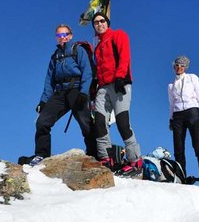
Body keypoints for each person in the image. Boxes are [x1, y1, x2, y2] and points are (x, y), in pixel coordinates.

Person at [29, 24, 97, 166]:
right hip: (60, 92)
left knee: (86, 123)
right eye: (59, 35)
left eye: (65, 34)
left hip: (77, 89)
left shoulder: (78, 50)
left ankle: (94, 153)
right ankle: (41, 154)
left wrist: (84, 92)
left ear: (70, 35)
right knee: (42, 122)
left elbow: (87, 72)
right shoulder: (55, 57)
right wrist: (43, 101)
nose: (63, 37)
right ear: (56, 38)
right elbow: (49, 81)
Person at [91, 12, 142, 176]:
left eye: (102, 21)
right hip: (103, 87)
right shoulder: (97, 47)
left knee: (122, 122)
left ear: (107, 22)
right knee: (99, 121)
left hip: (119, 84)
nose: (99, 24)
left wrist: (120, 76)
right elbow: (98, 69)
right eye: (96, 23)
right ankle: (106, 159)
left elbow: (124, 56)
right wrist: (95, 87)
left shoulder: (118, 35)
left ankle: (135, 159)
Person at [168, 55, 199, 186]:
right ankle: (180, 178)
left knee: (198, 146)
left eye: (182, 65)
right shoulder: (171, 86)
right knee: (178, 149)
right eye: (177, 65)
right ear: (174, 67)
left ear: (186, 67)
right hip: (177, 116)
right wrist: (171, 119)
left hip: (192, 112)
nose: (179, 67)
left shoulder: (192, 78)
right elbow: (171, 104)